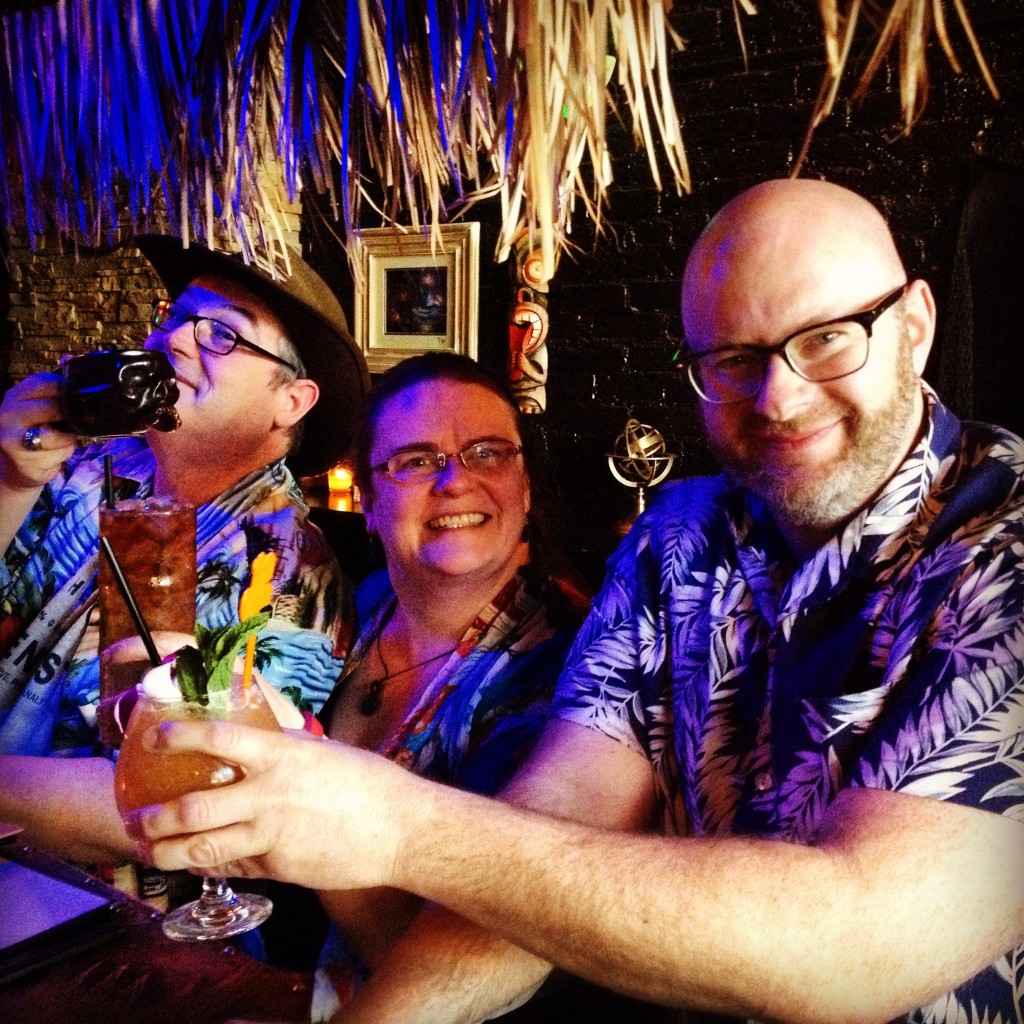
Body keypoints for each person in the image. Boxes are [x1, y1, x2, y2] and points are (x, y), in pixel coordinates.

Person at [131, 179, 1024, 1024]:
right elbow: (551, 830)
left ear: (914, 326)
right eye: (736, 358)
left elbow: (866, 938)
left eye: (828, 336)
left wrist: (398, 827)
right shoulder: (680, 539)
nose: (780, 397)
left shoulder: (1002, 546)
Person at [0, 235, 368, 865]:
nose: (173, 340)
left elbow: (205, 798)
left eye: (222, 335)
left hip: (120, 912)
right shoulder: (89, 462)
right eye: (177, 317)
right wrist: (11, 479)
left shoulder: (287, 570)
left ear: (291, 402)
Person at [304, 353, 593, 1014]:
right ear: (368, 504)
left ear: (524, 489)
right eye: (415, 460)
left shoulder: (569, 678)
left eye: (487, 453)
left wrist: (293, 814)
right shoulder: (354, 608)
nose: (455, 480)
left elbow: (461, 973)